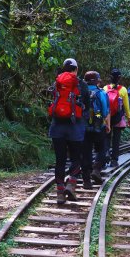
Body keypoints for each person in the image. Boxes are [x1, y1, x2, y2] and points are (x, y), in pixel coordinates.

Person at [48, 58, 89, 205]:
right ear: (76, 69)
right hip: (75, 128)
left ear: (63, 68)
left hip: (57, 127)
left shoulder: (57, 83)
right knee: (76, 157)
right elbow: (87, 107)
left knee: (60, 160)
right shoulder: (81, 84)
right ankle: (71, 184)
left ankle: (60, 192)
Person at [82, 71, 111, 187]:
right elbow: (105, 112)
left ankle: (86, 181)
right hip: (98, 124)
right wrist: (107, 124)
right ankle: (96, 169)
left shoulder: (80, 91)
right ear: (96, 81)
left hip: (83, 126)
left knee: (85, 152)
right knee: (102, 149)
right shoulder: (101, 93)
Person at [104, 69, 130, 167]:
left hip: (107, 118)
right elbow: (126, 106)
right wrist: (129, 117)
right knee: (116, 139)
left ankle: (106, 153)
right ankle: (114, 160)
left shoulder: (105, 88)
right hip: (118, 118)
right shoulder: (123, 90)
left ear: (110, 77)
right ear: (119, 78)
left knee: (106, 137)